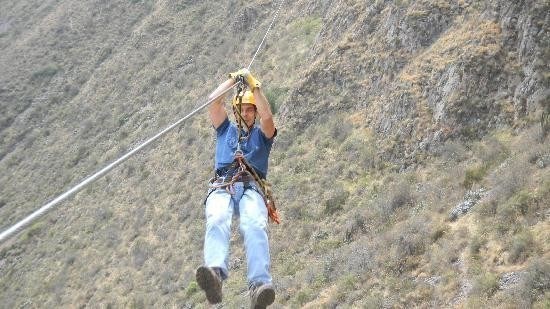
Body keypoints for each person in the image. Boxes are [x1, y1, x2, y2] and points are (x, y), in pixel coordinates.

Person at [196, 68, 277, 308]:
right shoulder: (225, 130)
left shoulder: (263, 135)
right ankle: (215, 276)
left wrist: (255, 88)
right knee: (217, 217)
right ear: (235, 111)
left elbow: (268, 117)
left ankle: (259, 285)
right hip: (223, 185)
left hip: (251, 187)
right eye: (242, 109)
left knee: (253, 224)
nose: (246, 113)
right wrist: (233, 80)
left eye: (250, 109)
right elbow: (212, 101)